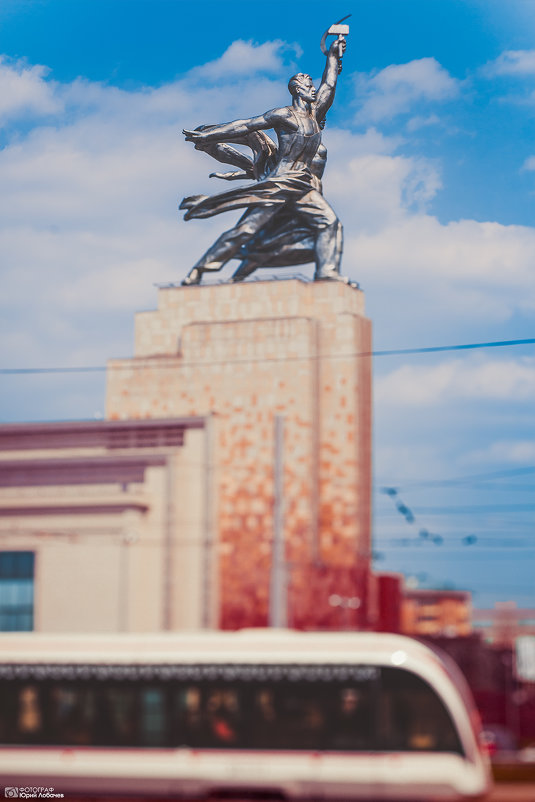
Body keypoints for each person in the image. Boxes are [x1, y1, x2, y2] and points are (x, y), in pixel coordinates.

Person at [180, 35, 346, 285]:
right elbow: (245, 125)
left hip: (303, 186)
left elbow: (330, 86)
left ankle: (326, 273)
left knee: (330, 223)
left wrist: (333, 56)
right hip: (279, 183)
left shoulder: (314, 115)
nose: (314, 88)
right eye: (309, 85)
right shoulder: (283, 116)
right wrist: (208, 134)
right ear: (297, 90)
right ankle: (199, 270)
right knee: (245, 230)